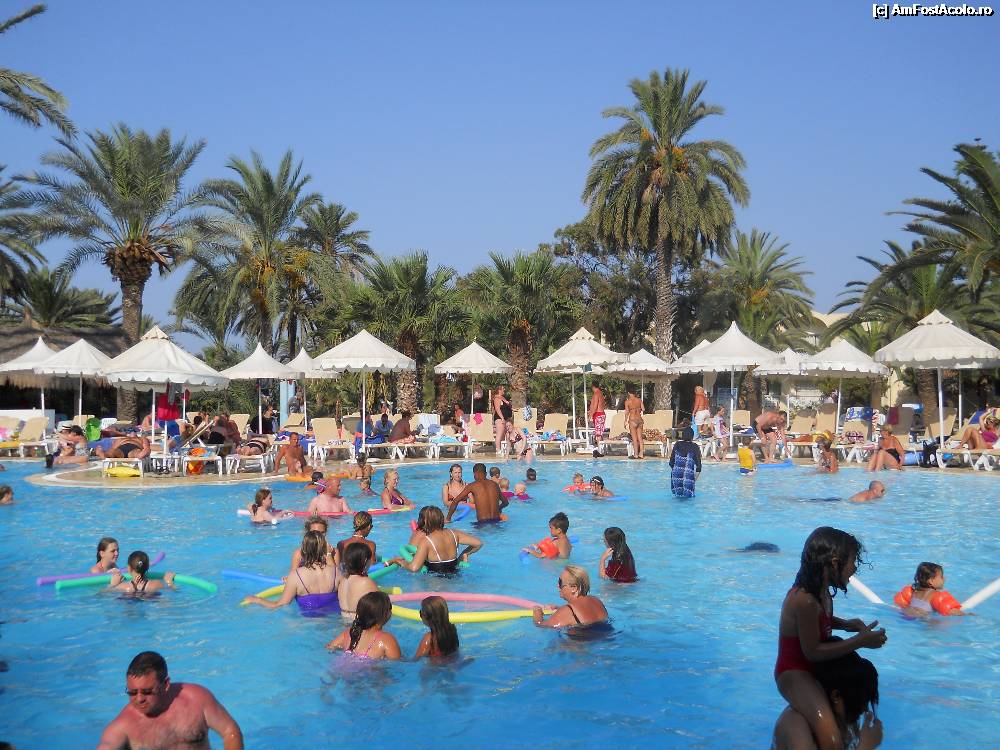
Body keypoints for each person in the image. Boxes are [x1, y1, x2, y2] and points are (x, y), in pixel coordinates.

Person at [775, 527, 887, 750]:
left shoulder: (821, 593)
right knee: (833, 740)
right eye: (853, 562)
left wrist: (845, 624)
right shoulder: (804, 600)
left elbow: (818, 621)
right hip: (794, 673)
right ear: (834, 563)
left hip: (813, 666)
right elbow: (813, 651)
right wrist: (861, 641)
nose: (854, 568)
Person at [97, 650, 243, 750]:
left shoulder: (197, 700)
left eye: (147, 692)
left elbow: (230, 731)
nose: (139, 699)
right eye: (132, 693)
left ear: (166, 684)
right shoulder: (122, 727)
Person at [772, 650, 882, 750]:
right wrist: (866, 746)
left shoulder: (846, 718)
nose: (864, 709)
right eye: (860, 701)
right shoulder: (795, 724)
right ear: (836, 696)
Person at [242, 531, 337, 613]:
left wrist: (257, 600)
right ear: (324, 549)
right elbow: (332, 569)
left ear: (303, 550)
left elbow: (279, 604)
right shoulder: (337, 573)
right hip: (333, 617)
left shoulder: (296, 576)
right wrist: (328, 554)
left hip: (308, 620)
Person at [389, 506, 482, 574]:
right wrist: (464, 554)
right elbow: (478, 543)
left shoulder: (426, 541)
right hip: (456, 575)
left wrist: (400, 562)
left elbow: (414, 568)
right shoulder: (454, 533)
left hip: (435, 582)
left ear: (425, 521)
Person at [326, 590, 401, 659]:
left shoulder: (350, 633)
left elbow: (329, 647)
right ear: (384, 614)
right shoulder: (387, 639)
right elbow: (397, 662)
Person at [533, 565, 608, 628]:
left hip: (581, 640)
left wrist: (537, 614)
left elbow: (541, 625)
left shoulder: (568, 611)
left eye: (560, 582)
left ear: (574, 588)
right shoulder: (596, 600)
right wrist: (560, 609)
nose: (557, 585)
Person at [893, 562, 968, 616]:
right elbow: (951, 611)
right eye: (941, 577)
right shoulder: (935, 595)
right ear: (931, 581)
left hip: (907, 615)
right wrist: (967, 614)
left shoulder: (914, 591)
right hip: (924, 621)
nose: (944, 579)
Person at [109, 551, 176, 595]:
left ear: (129, 568)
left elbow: (105, 593)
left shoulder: (123, 586)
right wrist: (169, 582)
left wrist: (113, 585)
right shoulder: (157, 584)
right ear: (147, 567)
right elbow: (173, 590)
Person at [337, 542, 378, 615]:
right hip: (361, 621)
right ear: (365, 560)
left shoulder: (343, 581)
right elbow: (382, 604)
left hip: (343, 619)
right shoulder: (366, 582)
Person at [669, 427, 702, 498]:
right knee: (688, 499)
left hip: (676, 475)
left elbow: (671, 463)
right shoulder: (694, 446)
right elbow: (699, 467)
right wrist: (693, 480)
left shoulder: (677, 444)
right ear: (692, 436)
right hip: (688, 476)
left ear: (683, 435)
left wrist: (677, 472)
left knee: (677, 497)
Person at [624, 386, 645, 459]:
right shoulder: (639, 400)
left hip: (632, 420)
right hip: (640, 420)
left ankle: (636, 454)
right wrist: (638, 409)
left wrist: (625, 421)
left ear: (628, 393)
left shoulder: (627, 402)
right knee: (640, 438)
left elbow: (627, 412)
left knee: (634, 439)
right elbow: (643, 409)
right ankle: (641, 454)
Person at [492, 385, 512, 454]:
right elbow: (497, 409)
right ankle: (498, 450)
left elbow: (506, 407)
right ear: (499, 390)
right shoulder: (497, 398)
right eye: (503, 389)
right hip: (499, 418)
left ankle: (504, 449)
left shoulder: (503, 398)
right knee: (499, 434)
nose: (504, 390)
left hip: (506, 418)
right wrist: (502, 418)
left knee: (505, 434)